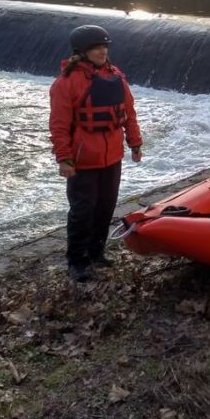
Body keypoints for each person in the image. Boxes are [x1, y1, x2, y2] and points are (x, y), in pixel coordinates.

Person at [49, 24, 144, 282]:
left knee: (105, 207)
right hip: (82, 160)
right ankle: (77, 261)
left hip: (112, 157)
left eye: (104, 46)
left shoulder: (116, 76)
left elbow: (129, 113)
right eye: (96, 47)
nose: (102, 51)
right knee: (83, 211)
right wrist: (64, 159)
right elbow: (58, 125)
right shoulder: (66, 84)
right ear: (82, 52)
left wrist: (135, 143)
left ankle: (96, 253)